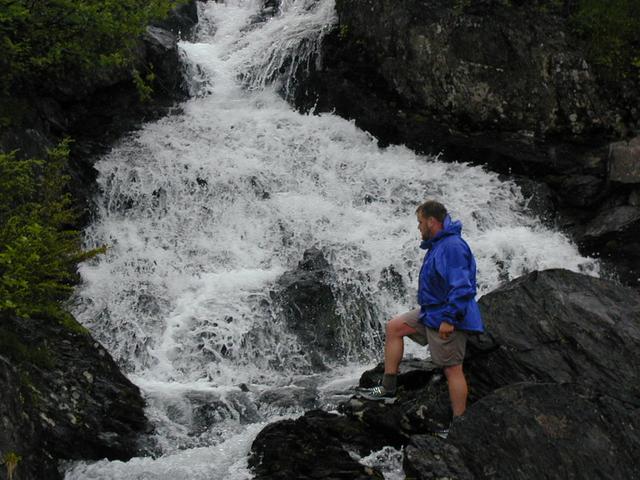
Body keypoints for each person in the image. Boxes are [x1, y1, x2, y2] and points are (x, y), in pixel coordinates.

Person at [358, 199, 484, 422]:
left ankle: (460, 425)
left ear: (431, 221)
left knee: (453, 369)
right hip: (431, 313)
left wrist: (449, 319)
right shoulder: (439, 244)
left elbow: (463, 287)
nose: (418, 227)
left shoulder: (452, 247)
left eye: (420, 222)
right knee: (394, 327)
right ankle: (387, 388)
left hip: (448, 316)